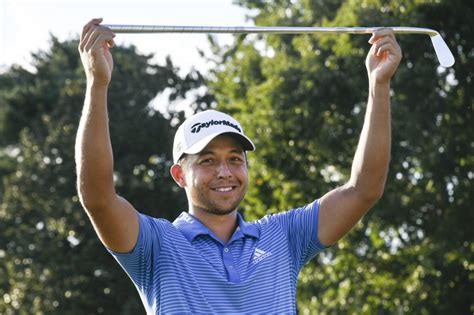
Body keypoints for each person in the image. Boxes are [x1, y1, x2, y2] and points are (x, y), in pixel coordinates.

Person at [76, 18, 402, 314]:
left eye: (235, 159)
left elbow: (363, 190)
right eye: (207, 161)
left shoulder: (284, 236)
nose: (224, 172)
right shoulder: (156, 246)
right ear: (179, 175)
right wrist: (97, 84)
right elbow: (98, 198)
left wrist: (379, 86)